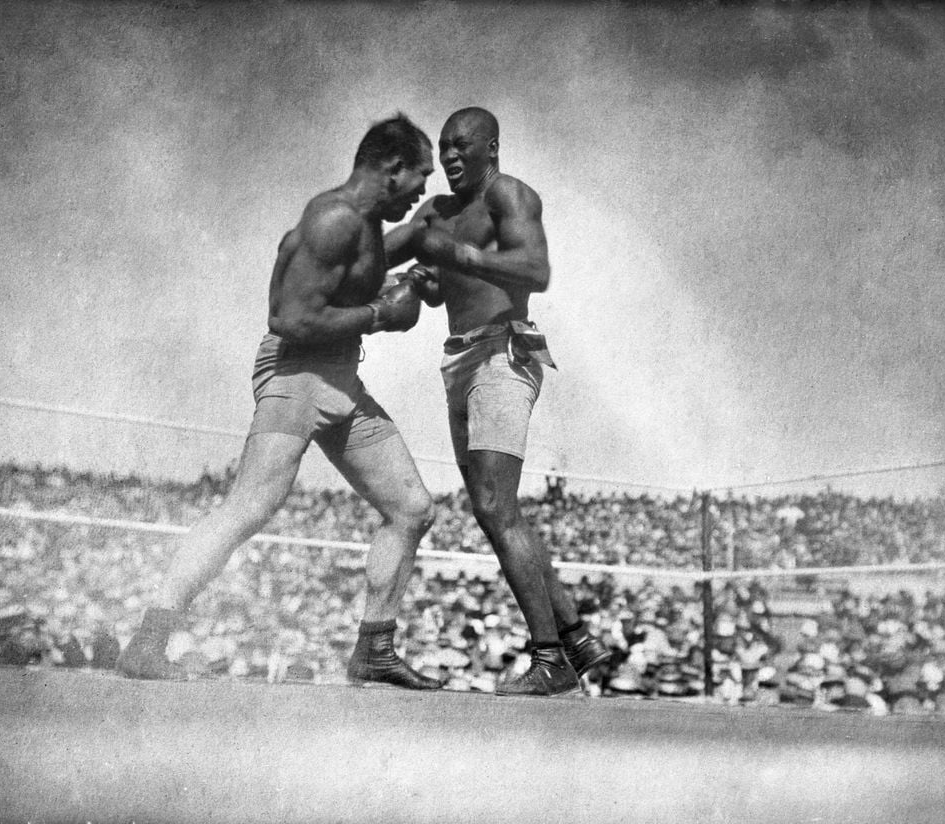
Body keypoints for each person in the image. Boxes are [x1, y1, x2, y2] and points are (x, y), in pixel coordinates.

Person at [118, 114, 443, 690]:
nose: (424, 190)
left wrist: (413, 280)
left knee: (412, 508)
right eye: (421, 177)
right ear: (392, 169)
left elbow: (368, 273)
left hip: (340, 378)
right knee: (251, 506)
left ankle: (373, 649)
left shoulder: (364, 225)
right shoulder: (334, 219)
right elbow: (289, 318)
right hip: (296, 372)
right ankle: (147, 642)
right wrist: (378, 314)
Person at [385, 106, 610, 696]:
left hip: (503, 354)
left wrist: (463, 258)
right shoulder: (436, 212)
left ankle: (550, 657)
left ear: (492, 147)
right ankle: (577, 637)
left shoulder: (510, 194)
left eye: (463, 145)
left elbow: (536, 270)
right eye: (444, 148)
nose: (452, 156)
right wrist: (425, 285)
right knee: (496, 506)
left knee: (492, 503)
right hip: (458, 359)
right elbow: (444, 292)